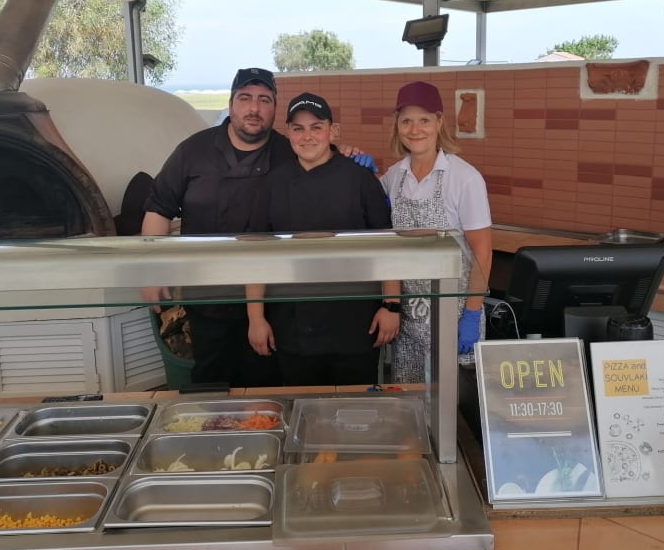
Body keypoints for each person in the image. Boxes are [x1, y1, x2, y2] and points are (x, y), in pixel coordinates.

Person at [141, 68, 375, 388]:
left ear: (275, 109)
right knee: (210, 383)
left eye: (264, 100)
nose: (254, 108)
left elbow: (322, 157)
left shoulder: (287, 150)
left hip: (273, 302)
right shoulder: (192, 151)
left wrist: (347, 153)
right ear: (231, 104)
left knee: (266, 386)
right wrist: (151, 270)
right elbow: (159, 207)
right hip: (208, 295)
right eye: (245, 98)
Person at [245, 92, 400, 386]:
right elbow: (256, 253)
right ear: (289, 133)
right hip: (291, 324)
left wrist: (391, 306)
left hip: (356, 323)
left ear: (333, 131)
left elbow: (387, 245)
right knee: (302, 406)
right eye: (298, 128)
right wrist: (255, 317)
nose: (307, 136)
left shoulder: (360, 179)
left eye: (316, 127)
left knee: (356, 407)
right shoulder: (272, 184)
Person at [380, 80, 493, 384]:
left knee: (453, 404)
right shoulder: (394, 176)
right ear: (397, 126)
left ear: (440, 122)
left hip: (454, 315)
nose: (415, 129)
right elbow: (368, 209)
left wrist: (472, 314)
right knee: (410, 401)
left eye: (424, 120)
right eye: (406, 121)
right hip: (408, 320)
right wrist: (350, 162)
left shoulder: (465, 178)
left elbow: (482, 253)